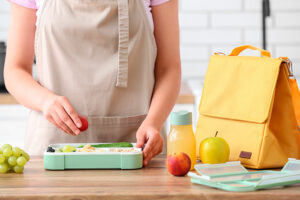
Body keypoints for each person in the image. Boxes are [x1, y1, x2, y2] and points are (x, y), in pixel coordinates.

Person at [4, 0, 181, 166]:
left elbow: (169, 68)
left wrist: (153, 122)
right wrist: (45, 101)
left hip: (138, 144)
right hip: (54, 144)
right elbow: (15, 70)